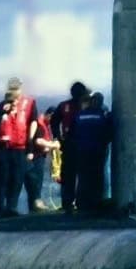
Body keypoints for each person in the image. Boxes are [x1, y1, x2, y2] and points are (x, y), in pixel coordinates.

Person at [0, 77, 40, 217]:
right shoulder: (3, 105)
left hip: (20, 147)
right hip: (4, 147)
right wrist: (2, 111)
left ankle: (12, 206)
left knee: (17, 178)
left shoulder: (29, 103)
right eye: (11, 89)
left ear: (20, 89)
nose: (14, 92)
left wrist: (30, 145)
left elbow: (33, 123)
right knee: (2, 177)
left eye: (16, 89)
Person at [49, 81, 89, 211]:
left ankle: (71, 202)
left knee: (72, 175)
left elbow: (54, 121)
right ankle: (74, 203)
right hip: (75, 144)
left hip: (74, 144)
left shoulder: (68, 105)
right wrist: (57, 136)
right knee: (74, 175)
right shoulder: (68, 106)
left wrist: (58, 136)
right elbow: (54, 121)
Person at [70, 92, 113, 213]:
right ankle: (96, 203)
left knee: (83, 177)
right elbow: (108, 133)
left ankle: (81, 203)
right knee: (97, 177)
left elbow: (72, 133)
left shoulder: (80, 115)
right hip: (97, 151)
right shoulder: (103, 115)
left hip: (82, 150)